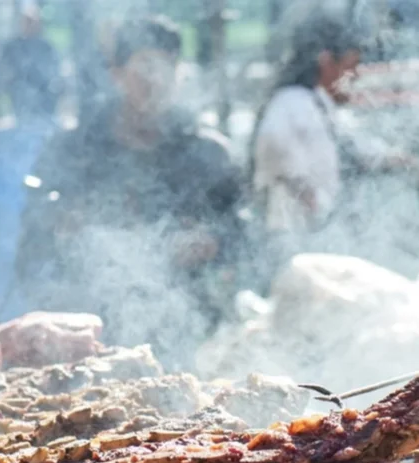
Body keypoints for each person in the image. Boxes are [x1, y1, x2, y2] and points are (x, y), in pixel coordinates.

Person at [13, 15, 246, 371]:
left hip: (191, 336)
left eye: (166, 66)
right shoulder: (73, 150)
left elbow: (244, 235)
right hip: (89, 337)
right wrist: (65, 229)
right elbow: (32, 242)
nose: (155, 79)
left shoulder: (209, 154)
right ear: (116, 73)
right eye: (145, 65)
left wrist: (212, 242)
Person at [248, 13, 419, 289]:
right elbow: (274, 145)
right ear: (326, 62)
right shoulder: (291, 102)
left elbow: (361, 147)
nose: (355, 77)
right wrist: (307, 196)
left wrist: (410, 164)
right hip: (291, 240)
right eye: (351, 68)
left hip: (317, 238)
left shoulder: (322, 107)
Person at [0, 5, 62, 121]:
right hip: (18, 101)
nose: (29, 25)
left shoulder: (46, 47)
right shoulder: (11, 47)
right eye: (26, 22)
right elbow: (3, 72)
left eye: (32, 22)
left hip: (44, 104)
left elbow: (53, 73)